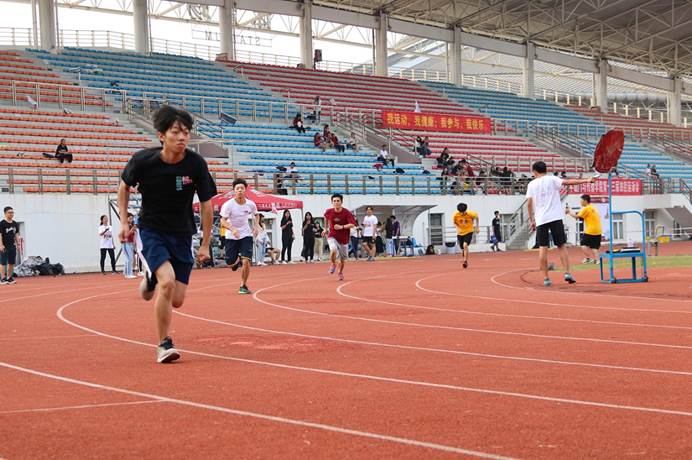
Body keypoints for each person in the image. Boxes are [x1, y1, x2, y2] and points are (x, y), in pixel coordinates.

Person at [118, 105, 217, 363]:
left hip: (182, 233)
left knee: (177, 300)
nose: (182, 137)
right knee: (168, 282)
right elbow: (124, 187)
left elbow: (207, 205)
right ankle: (164, 344)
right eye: (176, 132)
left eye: (186, 132)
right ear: (161, 135)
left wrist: (205, 244)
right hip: (151, 230)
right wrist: (123, 222)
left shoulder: (196, 164)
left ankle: (151, 278)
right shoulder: (143, 161)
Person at [526, 161, 595, 287]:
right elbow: (568, 182)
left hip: (541, 219)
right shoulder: (552, 179)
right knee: (561, 245)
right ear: (546, 169)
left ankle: (546, 278)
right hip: (555, 217)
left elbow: (529, 204)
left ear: (535, 171)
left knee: (543, 248)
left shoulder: (532, 184)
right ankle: (567, 272)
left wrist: (532, 220)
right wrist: (587, 180)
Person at [220, 178, 260, 294]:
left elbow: (256, 215)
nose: (240, 190)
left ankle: (243, 285)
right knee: (230, 263)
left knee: (246, 260)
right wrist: (232, 229)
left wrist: (256, 226)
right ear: (234, 190)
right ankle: (236, 261)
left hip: (246, 234)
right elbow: (222, 221)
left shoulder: (250, 204)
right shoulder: (228, 205)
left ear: (245, 190)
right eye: (237, 188)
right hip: (231, 236)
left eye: (242, 188)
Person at [323, 193, 356, 281]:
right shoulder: (329, 211)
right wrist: (325, 229)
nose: (336, 203)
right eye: (334, 201)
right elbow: (325, 217)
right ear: (332, 202)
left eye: (338, 201)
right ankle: (333, 264)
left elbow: (352, 224)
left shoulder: (346, 212)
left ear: (341, 202)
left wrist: (342, 227)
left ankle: (340, 272)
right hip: (332, 235)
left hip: (344, 239)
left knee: (342, 259)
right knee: (333, 249)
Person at [565, 194, 602, 264]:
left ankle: (588, 258)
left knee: (583, 243)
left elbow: (576, 216)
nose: (580, 202)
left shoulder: (586, 208)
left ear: (585, 201)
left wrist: (569, 212)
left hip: (591, 230)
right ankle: (597, 260)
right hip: (598, 230)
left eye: (581, 200)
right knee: (594, 247)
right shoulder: (593, 208)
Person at [453, 203, 479, 269]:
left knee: (465, 245)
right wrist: (457, 228)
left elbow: (477, 217)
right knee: (462, 247)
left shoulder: (471, 214)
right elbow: (454, 222)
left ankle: (465, 261)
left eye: (463, 212)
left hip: (469, 231)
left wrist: (477, 227)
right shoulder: (456, 215)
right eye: (461, 212)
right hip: (460, 233)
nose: (462, 213)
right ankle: (464, 252)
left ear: (465, 210)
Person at [0, 206, 22, 284]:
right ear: (5, 213)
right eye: (9, 212)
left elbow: (16, 234)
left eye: (12, 212)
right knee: (3, 262)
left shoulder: (14, 223)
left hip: (12, 245)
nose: (11, 214)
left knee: (11, 262)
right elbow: (0, 235)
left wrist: (18, 243)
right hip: (4, 246)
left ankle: (9, 277)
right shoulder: (2, 223)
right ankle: (2, 278)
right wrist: (1, 245)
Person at [121, 212, 137, 279]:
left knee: (129, 258)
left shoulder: (131, 225)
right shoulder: (125, 225)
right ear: (126, 218)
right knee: (129, 258)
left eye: (132, 218)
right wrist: (132, 229)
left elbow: (133, 235)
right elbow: (126, 234)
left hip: (130, 243)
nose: (131, 220)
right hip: (126, 243)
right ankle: (128, 274)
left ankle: (126, 272)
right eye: (130, 218)